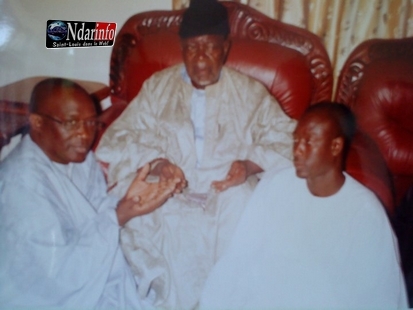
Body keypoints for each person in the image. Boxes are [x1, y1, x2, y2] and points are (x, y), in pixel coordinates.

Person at [95, 0, 296, 308]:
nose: (200, 58)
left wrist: (248, 164)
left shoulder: (251, 93)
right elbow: (118, 137)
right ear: (181, 49)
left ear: (225, 48)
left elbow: (289, 140)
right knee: (137, 219)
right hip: (168, 195)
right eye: (191, 48)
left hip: (228, 197)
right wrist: (160, 164)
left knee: (247, 228)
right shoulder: (157, 88)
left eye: (210, 47)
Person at [199, 102, 408, 309]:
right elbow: (238, 258)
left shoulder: (364, 212)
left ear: (335, 146)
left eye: (308, 142)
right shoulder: (276, 184)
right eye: (296, 139)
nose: (297, 150)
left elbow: (378, 296)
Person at [0, 78, 179, 308]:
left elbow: (96, 212)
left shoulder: (77, 158)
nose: (85, 135)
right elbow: (56, 281)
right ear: (37, 122)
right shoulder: (21, 185)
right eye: (72, 123)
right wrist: (119, 216)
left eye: (91, 123)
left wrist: (128, 202)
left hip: (94, 275)